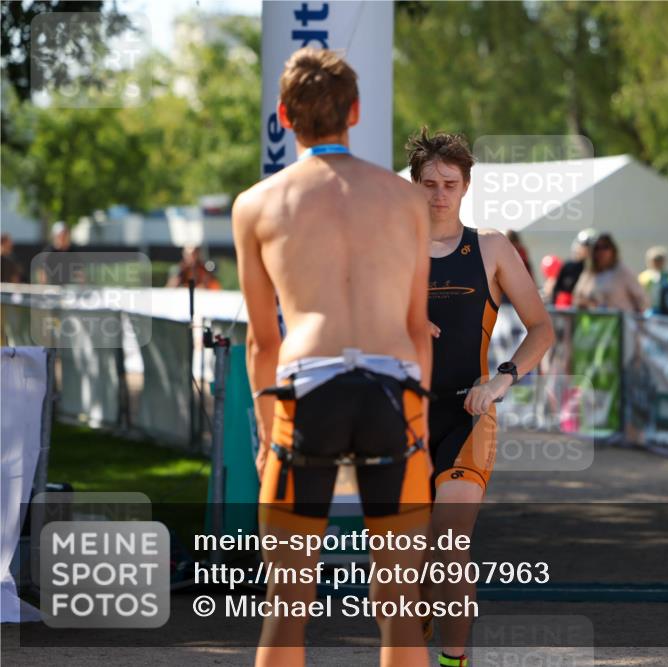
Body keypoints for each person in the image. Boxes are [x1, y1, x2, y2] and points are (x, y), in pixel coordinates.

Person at [234, 48, 434, 667]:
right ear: (355, 111)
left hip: (307, 387)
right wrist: (419, 426)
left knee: (285, 607)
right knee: (400, 608)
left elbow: (262, 339)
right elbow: (416, 327)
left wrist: (269, 435)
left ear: (283, 116)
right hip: (392, 388)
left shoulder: (257, 204)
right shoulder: (406, 201)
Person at [406, 128, 554, 667]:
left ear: (466, 186)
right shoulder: (392, 251)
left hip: (467, 414)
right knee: (409, 561)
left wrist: (500, 381)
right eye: (428, 183)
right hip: (404, 418)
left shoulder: (490, 247)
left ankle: (454, 662)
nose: (439, 194)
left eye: (449, 183)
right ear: (414, 186)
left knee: (448, 548)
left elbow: (541, 328)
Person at [572, 232, 647, 312]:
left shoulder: (622, 272)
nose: (601, 252)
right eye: (597, 248)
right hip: (594, 321)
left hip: (619, 321)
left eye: (605, 247)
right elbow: (578, 296)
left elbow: (641, 301)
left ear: (613, 250)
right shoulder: (589, 273)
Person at [551, 228, 597, 307]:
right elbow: (557, 291)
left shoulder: (600, 270)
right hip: (568, 313)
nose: (584, 248)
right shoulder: (569, 267)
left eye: (588, 245)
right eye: (583, 244)